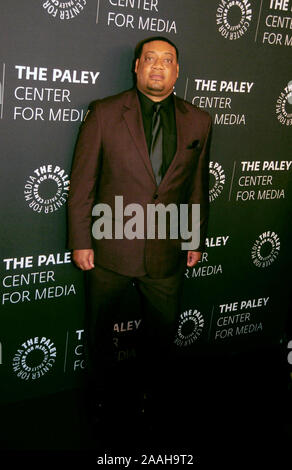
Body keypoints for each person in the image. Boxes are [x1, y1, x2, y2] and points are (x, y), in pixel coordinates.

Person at [67, 36, 212, 444]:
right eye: (150, 59)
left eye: (168, 60)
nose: (158, 66)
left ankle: (151, 400)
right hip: (109, 247)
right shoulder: (105, 113)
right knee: (100, 335)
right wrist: (81, 240)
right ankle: (99, 401)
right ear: (136, 66)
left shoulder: (200, 120)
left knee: (161, 338)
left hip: (166, 253)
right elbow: (82, 185)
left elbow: (196, 187)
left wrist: (193, 238)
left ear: (177, 71)